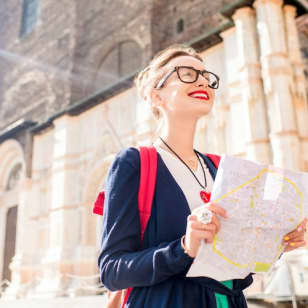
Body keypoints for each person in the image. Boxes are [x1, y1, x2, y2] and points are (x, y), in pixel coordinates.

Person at [98, 44, 307, 308]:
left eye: (207, 77)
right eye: (187, 73)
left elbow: (236, 265)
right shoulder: (134, 162)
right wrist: (184, 247)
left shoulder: (219, 168)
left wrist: (275, 244)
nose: (202, 82)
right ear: (156, 96)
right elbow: (112, 271)